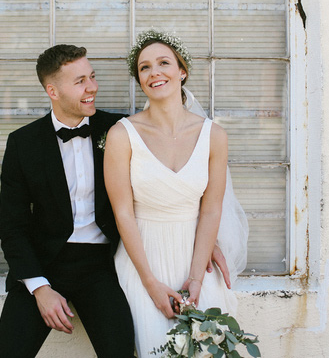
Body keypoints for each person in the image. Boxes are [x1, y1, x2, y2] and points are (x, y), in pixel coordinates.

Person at [104, 29, 248, 357]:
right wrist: (150, 284)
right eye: (144, 67)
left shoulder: (214, 135)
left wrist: (196, 279)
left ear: (181, 71)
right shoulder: (122, 135)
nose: (154, 72)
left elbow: (211, 210)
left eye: (163, 63)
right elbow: (123, 213)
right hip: (142, 260)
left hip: (195, 260)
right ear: (139, 79)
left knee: (206, 350)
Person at [0, 44, 135, 357]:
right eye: (80, 81)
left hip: (102, 266)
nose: (93, 88)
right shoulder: (22, 144)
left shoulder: (119, 129)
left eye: (92, 77)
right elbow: (12, 226)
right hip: (43, 263)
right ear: (52, 91)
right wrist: (40, 288)